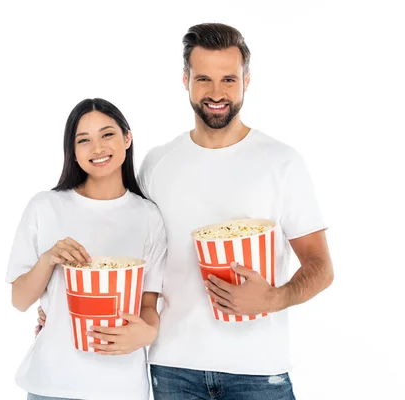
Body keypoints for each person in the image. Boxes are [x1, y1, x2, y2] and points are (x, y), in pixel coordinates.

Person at [38, 23, 334, 400]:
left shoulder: (282, 162)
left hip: (258, 371)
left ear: (247, 80)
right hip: (173, 369)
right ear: (185, 80)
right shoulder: (158, 163)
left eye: (229, 79)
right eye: (203, 79)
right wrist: (60, 306)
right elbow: (124, 244)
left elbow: (321, 266)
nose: (216, 93)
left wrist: (274, 298)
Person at [6, 98, 166, 400]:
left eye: (107, 134)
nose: (97, 148)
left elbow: (148, 305)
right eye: (84, 140)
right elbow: (19, 300)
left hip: (122, 387)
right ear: (73, 152)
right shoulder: (45, 207)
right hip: (51, 385)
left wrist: (149, 332)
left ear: (127, 138)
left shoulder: (149, 217)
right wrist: (49, 259)